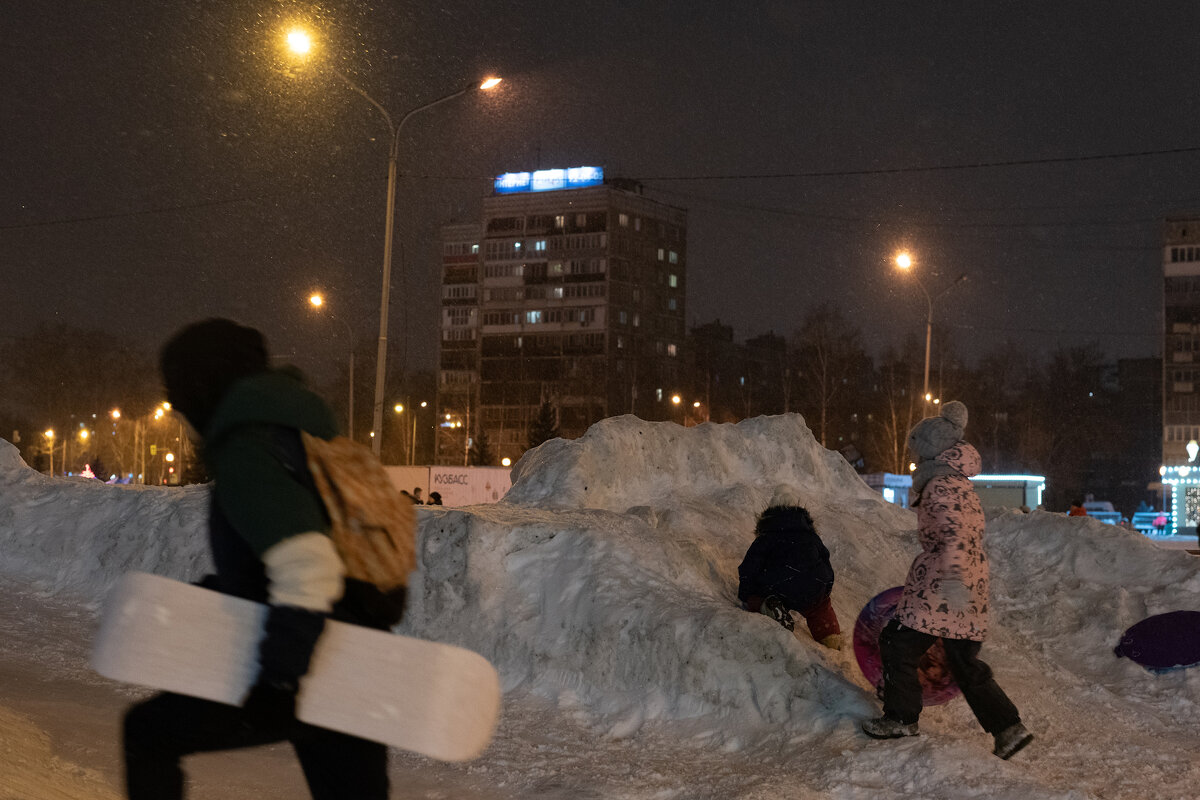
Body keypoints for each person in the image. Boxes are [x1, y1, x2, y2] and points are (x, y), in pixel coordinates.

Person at [122, 319, 400, 800]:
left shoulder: (246, 447)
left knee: (148, 734)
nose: (176, 405)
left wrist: (279, 680)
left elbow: (308, 564)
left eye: (178, 390)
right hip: (355, 660)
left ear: (203, 385)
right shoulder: (305, 435)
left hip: (305, 659)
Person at [861, 401, 1033, 760]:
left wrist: (953, 590)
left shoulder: (940, 486)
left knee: (896, 642)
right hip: (965, 582)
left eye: (917, 454)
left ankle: (901, 717)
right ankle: (1008, 729)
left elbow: (954, 535)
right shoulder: (958, 483)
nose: (915, 462)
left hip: (946, 586)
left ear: (931, 453)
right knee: (963, 662)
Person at [737, 486, 842, 649]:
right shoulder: (811, 537)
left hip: (779, 585)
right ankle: (830, 635)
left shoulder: (767, 537)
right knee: (819, 606)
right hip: (812, 584)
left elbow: (750, 566)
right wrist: (824, 591)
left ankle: (769, 606)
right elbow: (825, 563)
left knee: (760, 596)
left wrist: (747, 595)